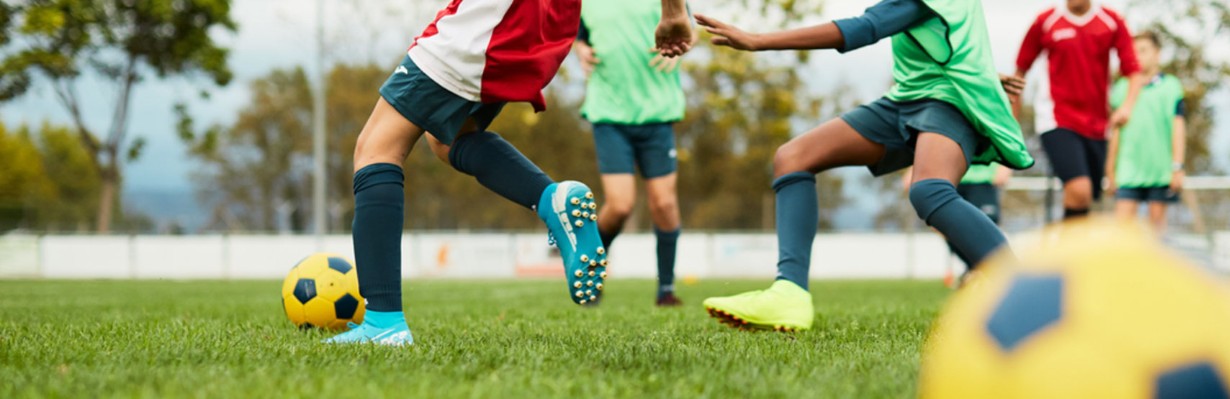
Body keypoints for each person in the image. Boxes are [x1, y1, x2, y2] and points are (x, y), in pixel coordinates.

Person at [325, 0, 694, 346]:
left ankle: (383, 322)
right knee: (448, 139)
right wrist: (675, 11)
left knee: (377, 147)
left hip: (498, 16)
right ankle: (550, 200)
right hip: (545, 24)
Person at [694, 0, 1034, 332]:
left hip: (948, 103)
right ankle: (790, 293)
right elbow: (952, 39)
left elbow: (864, 28)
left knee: (929, 190)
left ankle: (1025, 295)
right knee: (793, 157)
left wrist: (757, 40)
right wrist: (985, 74)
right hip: (905, 98)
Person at [573, 0, 694, 307]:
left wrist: (684, 44)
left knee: (665, 203)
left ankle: (665, 290)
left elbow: (687, 27)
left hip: (658, 112)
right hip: (609, 113)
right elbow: (576, 34)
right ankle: (590, 273)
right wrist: (580, 49)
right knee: (620, 205)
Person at [1016, 0, 1143, 220]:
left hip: (1096, 126)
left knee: (1086, 199)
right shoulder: (1046, 21)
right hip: (1056, 120)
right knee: (1078, 188)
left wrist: (1127, 107)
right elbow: (1019, 72)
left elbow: (1133, 71)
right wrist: (1011, 124)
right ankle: (1068, 254)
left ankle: (1071, 248)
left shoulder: (1111, 21)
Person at [1105, 32, 1186, 232]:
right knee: (1123, 235)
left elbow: (1178, 129)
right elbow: (1115, 132)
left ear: (1157, 54)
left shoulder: (1171, 86)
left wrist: (1177, 167)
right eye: (1134, 52)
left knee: (1156, 236)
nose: (1138, 56)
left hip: (1160, 173)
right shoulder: (1122, 87)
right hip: (1127, 172)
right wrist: (1109, 170)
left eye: (1143, 50)